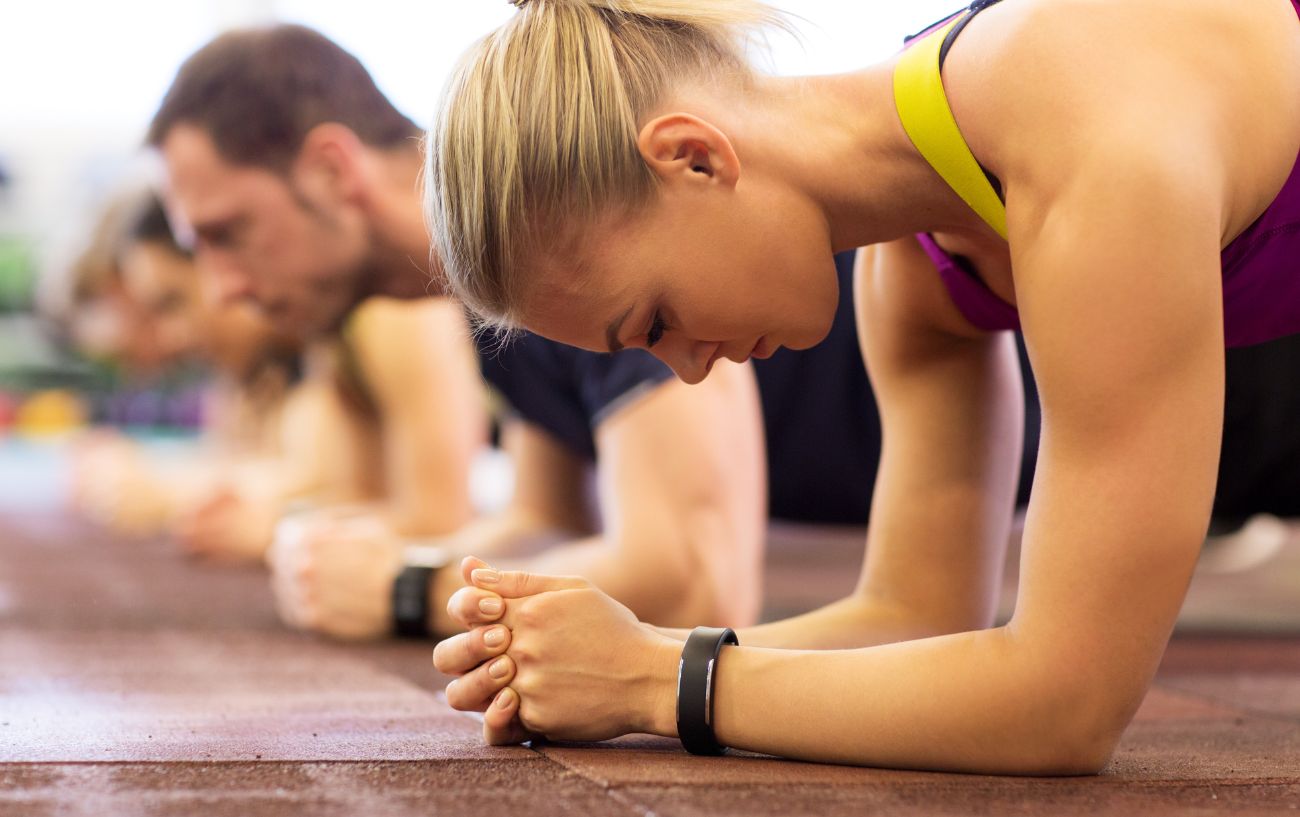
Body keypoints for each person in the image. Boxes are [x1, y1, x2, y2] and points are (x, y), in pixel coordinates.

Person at [426, 0, 1300, 774]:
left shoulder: (1079, 112)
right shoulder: (915, 266)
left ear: (694, 158)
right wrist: (614, 658)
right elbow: (915, 615)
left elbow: (1069, 704)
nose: (688, 368)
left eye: (654, 322)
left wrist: (658, 681)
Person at [148, 25, 488, 550]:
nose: (221, 292)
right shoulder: (365, 305)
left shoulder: (530, 251)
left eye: (229, 233)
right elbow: (354, 492)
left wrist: (407, 593)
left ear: (331, 171)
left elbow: (443, 521)